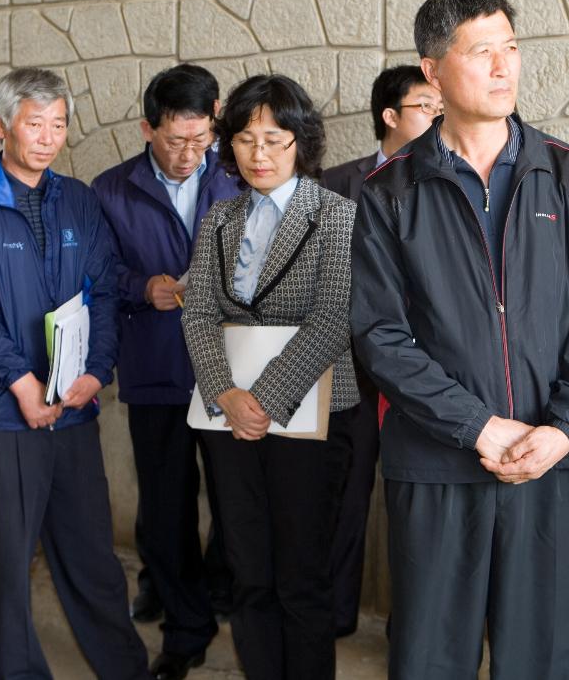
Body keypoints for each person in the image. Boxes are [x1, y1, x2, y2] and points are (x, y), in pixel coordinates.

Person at [350, 0, 569, 679]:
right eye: (483, 52)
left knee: (547, 655)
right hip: (437, 462)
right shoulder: (389, 193)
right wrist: (477, 424)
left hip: (550, 458)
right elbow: (381, 334)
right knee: (429, 656)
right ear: (434, 71)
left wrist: (564, 429)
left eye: (511, 48)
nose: (505, 66)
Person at [0, 67, 150, 679]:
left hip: (73, 405)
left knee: (92, 558)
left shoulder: (79, 199)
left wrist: (95, 370)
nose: (49, 136)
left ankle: (124, 669)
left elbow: (105, 292)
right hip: (2, 414)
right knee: (10, 563)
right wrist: (23, 385)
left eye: (59, 123)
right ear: (1, 126)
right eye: (35, 123)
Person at [181, 74, 359, 680]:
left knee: (303, 574)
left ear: (300, 143)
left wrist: (264, 398)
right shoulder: (218, 219)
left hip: (313, 415)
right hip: (227, 417)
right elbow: (199, 311)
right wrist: (227, 395)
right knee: (247, 567)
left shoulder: (335, 215)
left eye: (275, 139)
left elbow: (334, 317)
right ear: (228, 145)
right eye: (245, 139)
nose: (259, 154)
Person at [92, 63, 239, 680]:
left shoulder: (237, 179)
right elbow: (96, 277)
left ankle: (220, 592)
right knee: (167, 508)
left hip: (231, 374)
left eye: (200, 139)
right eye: (174, 140)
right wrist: (138, 286)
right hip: (156, 372)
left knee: (236, 505)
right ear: (147, 127)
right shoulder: (110, 190)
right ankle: (185, 628)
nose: (187, 154)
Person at [319, 64, 441, 637]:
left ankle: (411, 629)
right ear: (390, 116)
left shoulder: (449, 180)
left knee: (417, 508)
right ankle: (336, 615)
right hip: (349, 375)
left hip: (425, 376)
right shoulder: (336, 184)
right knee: (343, 500)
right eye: (425, 106)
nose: (438, 117)